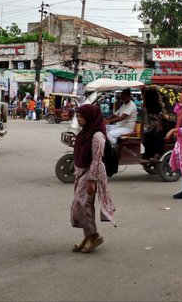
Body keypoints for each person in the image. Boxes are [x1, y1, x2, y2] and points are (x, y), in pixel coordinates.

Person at [70, 104, 115, 254]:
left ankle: (93, 235)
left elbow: (96, 160)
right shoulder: (84, 133)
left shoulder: (97, 136)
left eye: (81, 116)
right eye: (78, 116)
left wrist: (92, 180)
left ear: (89, 117)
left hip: (91, 174)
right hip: (82, 172)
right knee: (83, 205)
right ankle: (88, 237)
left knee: (83, 204)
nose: (78, 119)